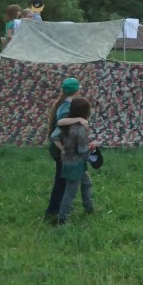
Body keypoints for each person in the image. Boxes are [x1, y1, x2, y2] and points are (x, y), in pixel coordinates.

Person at [49, 97, 95, 224]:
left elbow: (53, 136)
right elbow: (83, 151)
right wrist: (92, 148)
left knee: (87, 183)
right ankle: (62, 219)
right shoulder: (80, 129)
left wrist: (63, 148)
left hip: (69, 162)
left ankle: (89, 208)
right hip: (76, 165)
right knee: (70, 192)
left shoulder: (65, 125)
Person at [44, 77, 81, 220]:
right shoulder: (66, 109)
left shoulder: (64, 104)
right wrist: (64, 149)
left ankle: (56, 209)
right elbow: (57, 133)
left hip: (61, 149)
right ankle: (54, 211)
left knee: (62, 181)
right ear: (76, 91)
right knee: (62, 182)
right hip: (61, 149)